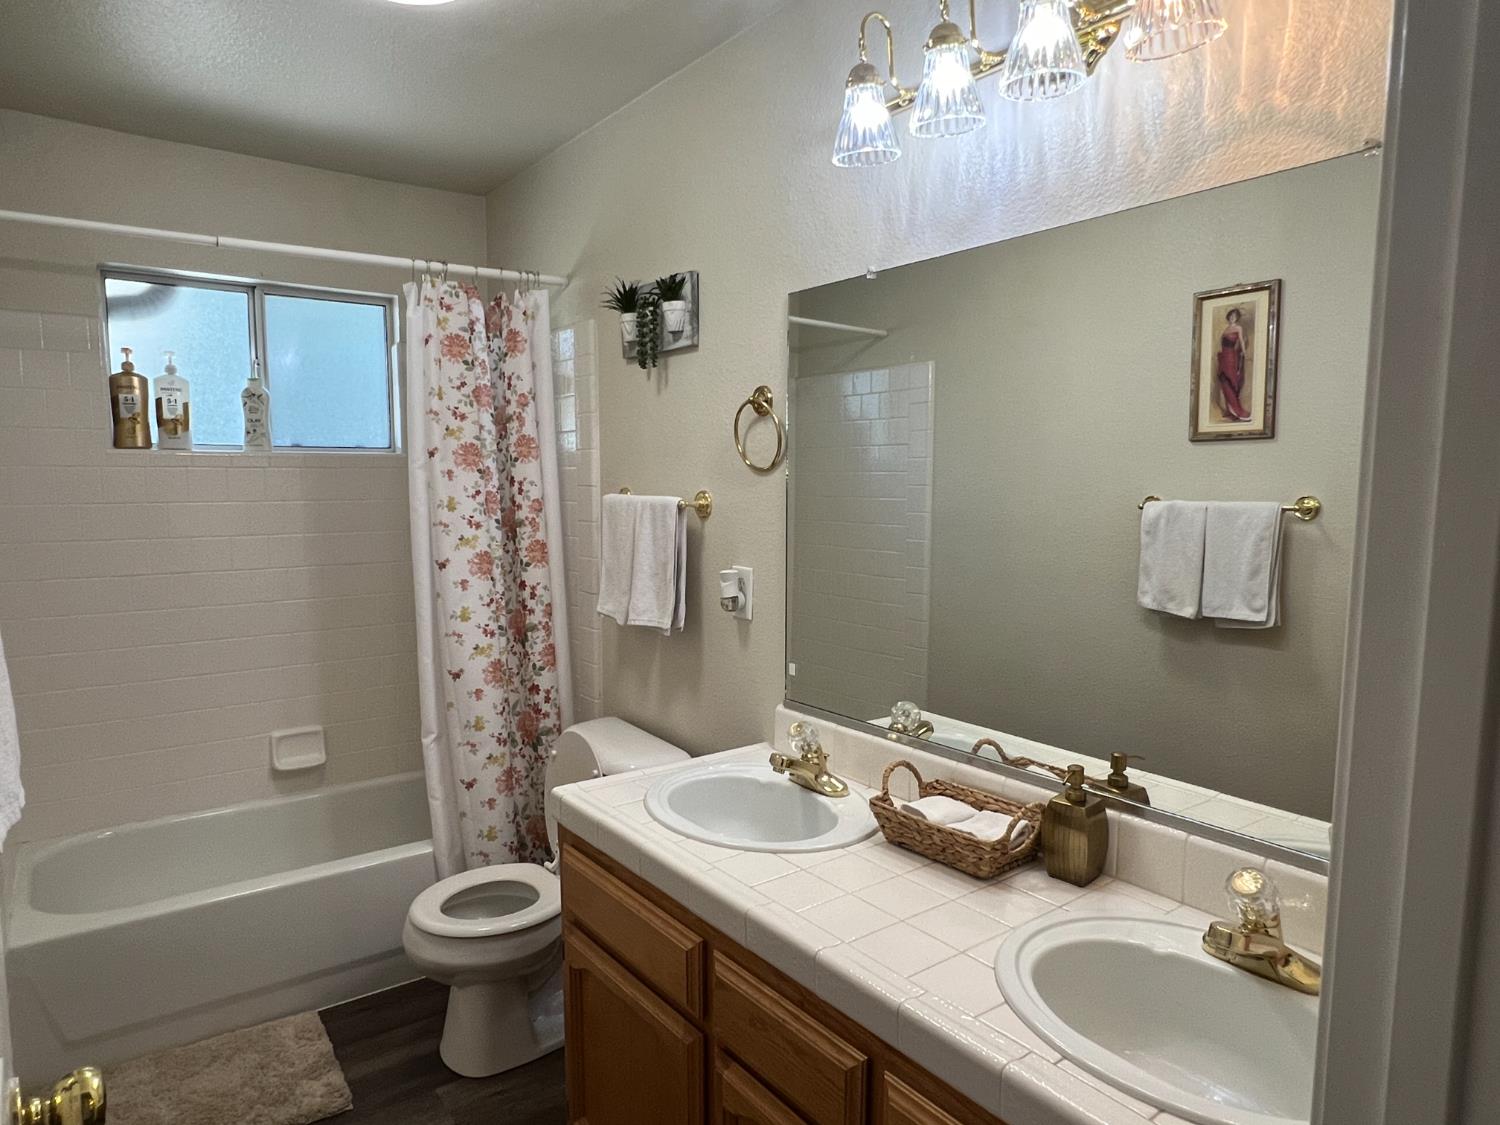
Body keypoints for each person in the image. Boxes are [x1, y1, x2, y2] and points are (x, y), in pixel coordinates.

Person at [1215, 307, 1251, 421]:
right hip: (1223, 357)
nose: (1232, 318)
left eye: (1234, 316)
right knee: (1224, 381)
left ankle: (1237, 411)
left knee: (1232, 381)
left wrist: (1244, 353)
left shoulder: (1238, 328)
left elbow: (1241, 341)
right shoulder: (1226, 329)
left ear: (1237, 318)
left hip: (1231, 356)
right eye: (1231, 316)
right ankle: (1229, 411)